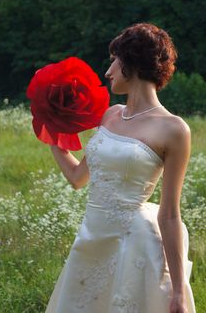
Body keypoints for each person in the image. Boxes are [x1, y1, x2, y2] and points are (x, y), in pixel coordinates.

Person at [45, 23, 196, 313]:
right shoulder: (111, 115)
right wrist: (53, 134)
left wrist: (178, 290)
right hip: (91, 241)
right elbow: (78, 178)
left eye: (114, 60)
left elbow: (170, 214)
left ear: (133, 62)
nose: (108, 71)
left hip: (134, 245)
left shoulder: (174, 129)